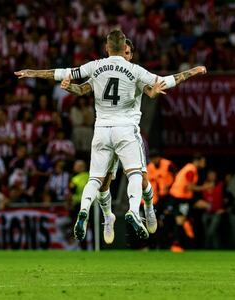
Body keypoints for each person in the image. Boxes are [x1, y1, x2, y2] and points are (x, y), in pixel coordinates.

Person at [15, 29, 207, 242]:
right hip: (125, 130)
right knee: (127, 177)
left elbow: (64, 73)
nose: (127, 54)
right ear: (122, 48)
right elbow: (163, 83)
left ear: (109, 48)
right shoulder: (134, 70)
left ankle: (129, 210)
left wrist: (33, 73)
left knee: (101, 179)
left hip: (102, 130)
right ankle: (122, 214)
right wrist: (193, 71)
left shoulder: (96, 67)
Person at [61, 39, 169, 244]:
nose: (125, 56)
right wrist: (71, 88)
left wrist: (154, 92)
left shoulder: (133, 73)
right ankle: (109, 217)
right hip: (114, 132)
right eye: (124, 52)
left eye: (128, 53)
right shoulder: (102, 74)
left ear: (130, 54)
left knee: (142, 178)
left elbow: (150, 92)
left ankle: (148, 208)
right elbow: (83, 89)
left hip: (120, 131)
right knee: (104, 183)